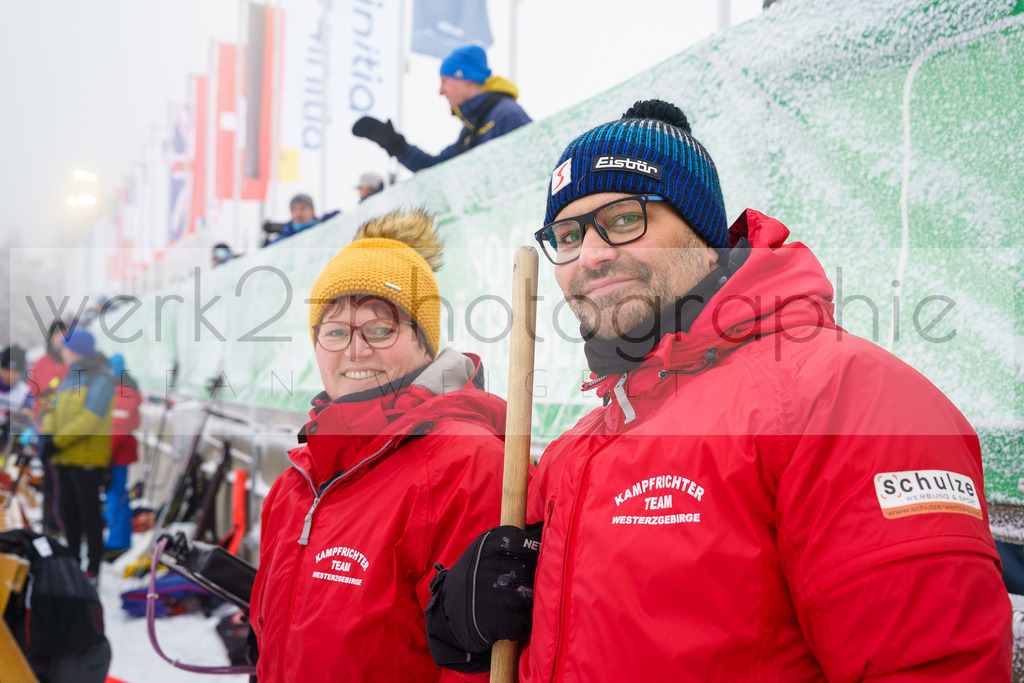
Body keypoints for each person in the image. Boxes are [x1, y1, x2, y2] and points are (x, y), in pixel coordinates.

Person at [424, 100, 1013, 679]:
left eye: (625, 219)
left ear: (703, 234)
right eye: (568, 234)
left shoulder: (842, 395)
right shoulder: (573, 457)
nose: (592, 256)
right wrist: (473, 624)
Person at [249, 209, 509, 682]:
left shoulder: (467, 465)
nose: (355, 350)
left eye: (380, 328)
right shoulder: (298, 481)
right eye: (334, 331)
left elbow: (476, 667)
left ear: (425, 343)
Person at [352, 45, 531, 172]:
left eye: (445, 81)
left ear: (466, 78)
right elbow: (435, 168)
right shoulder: (471, 132)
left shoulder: (506, 115)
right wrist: (398, 146)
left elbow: (533, 170)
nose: (440, 91)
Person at [40, 328, 114, 584]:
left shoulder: (101, 379)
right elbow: (54, 409)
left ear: (78, 351)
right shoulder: (70, 376)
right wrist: (47, 436)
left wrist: (57, 443)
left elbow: (90, 418)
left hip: (86, 459)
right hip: (65, 457)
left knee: (89, 515)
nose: (61, 351)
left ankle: (93, 567)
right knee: (68, 512)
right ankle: (72, 562)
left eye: (66, 347)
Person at [26, 320, 69, 533]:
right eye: (59, 335)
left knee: (67, 480)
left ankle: (65, 522)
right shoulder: (41, 363)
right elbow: (36, 395)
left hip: (70, 430)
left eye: (66, 335)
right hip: (47, 430)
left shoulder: (73, 363)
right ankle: (50, 524)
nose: (62, 339)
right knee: (52, 481)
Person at [104, 353, 141, 555]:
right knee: (117, 495)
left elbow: (117, 428)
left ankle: (117, 543)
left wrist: (105, 456)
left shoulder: (122, 391)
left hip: (116, 454)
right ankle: (120, 539)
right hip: (119, 452)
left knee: (115, 496)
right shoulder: (125, 388)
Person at [1, 345, 31, 449]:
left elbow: (28, 415)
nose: (10, 375)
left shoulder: (25, 392)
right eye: (6, 370)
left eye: (15, 372)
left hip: (7, 442)